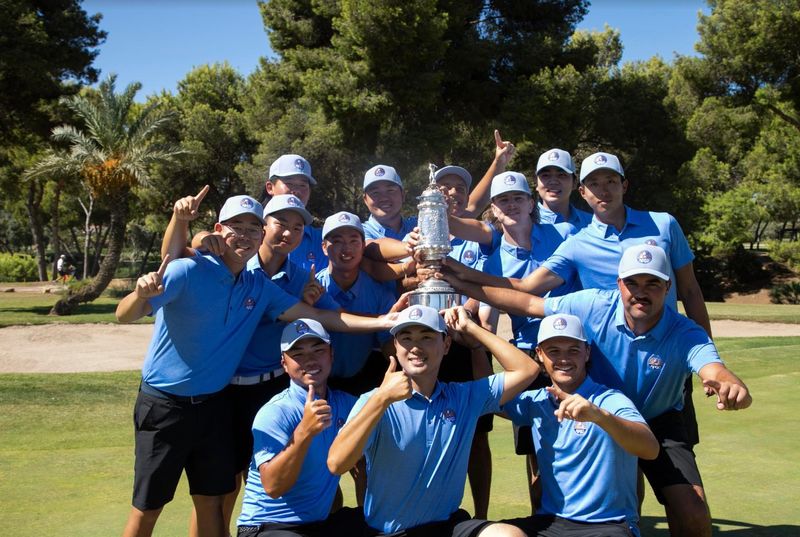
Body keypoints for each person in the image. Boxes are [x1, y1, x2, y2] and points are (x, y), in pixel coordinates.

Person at [446, 244, 752, 537]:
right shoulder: (593, 305)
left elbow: (713, 368)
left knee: (692, 511)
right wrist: (460, 289)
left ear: (668, 287)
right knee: (542, 499)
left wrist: (729, 384)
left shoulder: (684, 331)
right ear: (619, 283)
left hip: (655, 420)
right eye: (633, 282)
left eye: (652, 283)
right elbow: (526, 303)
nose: (641, 291)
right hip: (589, 404)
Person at [327, 305, 537, 537]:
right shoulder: (373, 400)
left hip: (447, 527)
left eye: (427, 337)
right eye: (406, 338)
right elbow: (337, 463)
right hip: (387, 531)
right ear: (396, 347)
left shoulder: (463, 397)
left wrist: (471, 329)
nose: (416, 347)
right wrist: (381, 399)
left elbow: (526, 368)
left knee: (509, 535)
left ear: (446, 345)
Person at [503, 313, 659, 537]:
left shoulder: (609, 400)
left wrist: (599, 417)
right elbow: (484, 396)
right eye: (553, 351)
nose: (564, 359)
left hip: (608, 525)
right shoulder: (536, 401)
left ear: (587, 352)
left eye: (573, 350)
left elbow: (650, 449)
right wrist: (476, 337)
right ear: (539, 354)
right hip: (551, 523)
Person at [236, 319, 365, 537]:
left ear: (331, 354)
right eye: (298, 354)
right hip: (267, 527)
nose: (310, 360)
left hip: (318, 525)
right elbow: (273, 486)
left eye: (318, 350)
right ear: (284, 364)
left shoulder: (347, 405)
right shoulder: (276, 411)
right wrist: (304, 431)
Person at [264, 154, 327, 271]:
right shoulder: (249, 234)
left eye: (303, 185)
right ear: (270, 187)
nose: (297, 191)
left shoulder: (323, 241)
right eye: (290, 183)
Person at [533, 149, 592, 228]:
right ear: (536, 183)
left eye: (561, 175)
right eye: (546, 175)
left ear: (574, 183)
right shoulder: (523, 222)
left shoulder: (591, 223)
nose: (553, 181)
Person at [361, 164, 418, 241]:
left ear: (403, 195)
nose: (384, 198)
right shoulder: (359, 232)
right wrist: (409, 247)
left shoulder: (418, 224)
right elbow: (372, 247)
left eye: (390, 191)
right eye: (375, 193)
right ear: (365, 200)